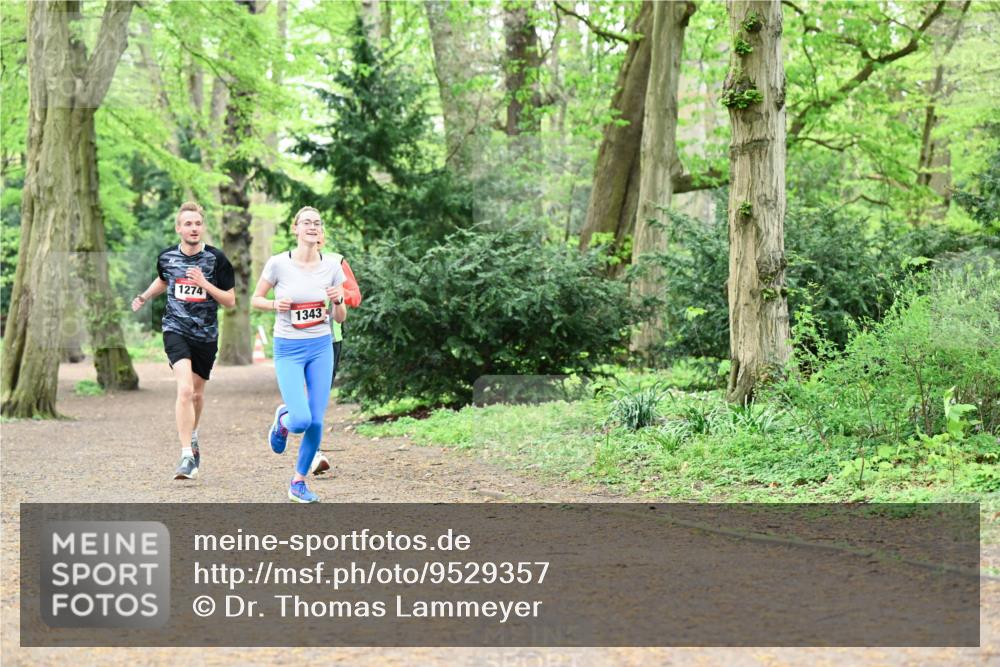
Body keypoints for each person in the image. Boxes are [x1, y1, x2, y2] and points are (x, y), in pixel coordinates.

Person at [132, 201, 236, 480]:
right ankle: (186, 455)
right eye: (188, 224)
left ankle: (193, 435)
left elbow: (230, 301)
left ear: (203, 227)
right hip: (175, 329)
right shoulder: (167, 257)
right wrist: (144, 296)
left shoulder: (217, 259)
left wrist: (205, 284)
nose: (193, 228)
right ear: (179, 228)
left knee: (198, 395)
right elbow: (164, 280)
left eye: (198, 224)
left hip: (206, 335)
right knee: (185, 390)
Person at [251, 206, 346, 503]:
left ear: (321, 231)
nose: (312, 227)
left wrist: (338, 300)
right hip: (288, 348)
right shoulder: (279, 264)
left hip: (320, 346)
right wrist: (273, 306)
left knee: (317, 421)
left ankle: (298, 482)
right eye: (306, 222)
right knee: (301, 419)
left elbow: (340, 317)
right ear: (296, 228)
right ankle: (283, 421)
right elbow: (256, 299)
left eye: (317, 223)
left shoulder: (332, 266)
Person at [309, 228, 362, 476]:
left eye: (319, 232)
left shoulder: (336, 261)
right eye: (309, 230)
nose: (315, 236)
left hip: (330, 339)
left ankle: (313, 451)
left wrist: (341, 294)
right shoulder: (287, 262)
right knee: (305, 399)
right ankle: (293, 425)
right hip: (297, 339)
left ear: (324, 237)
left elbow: (355, 296)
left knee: (318, 398)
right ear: (297, 232)